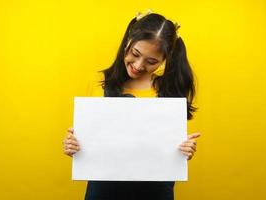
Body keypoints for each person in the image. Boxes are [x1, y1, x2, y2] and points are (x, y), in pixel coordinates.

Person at [63, 10, 201, 200]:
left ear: (164, 60)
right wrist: (73, 146)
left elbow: (171, 148)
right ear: (127, 42)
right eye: (135, 54)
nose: (138, 65)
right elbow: (88, 142)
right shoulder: (98, 82)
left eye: (151, 61)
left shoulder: (170, 90)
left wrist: (185, 150)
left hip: (155, 191)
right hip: (103, 190)